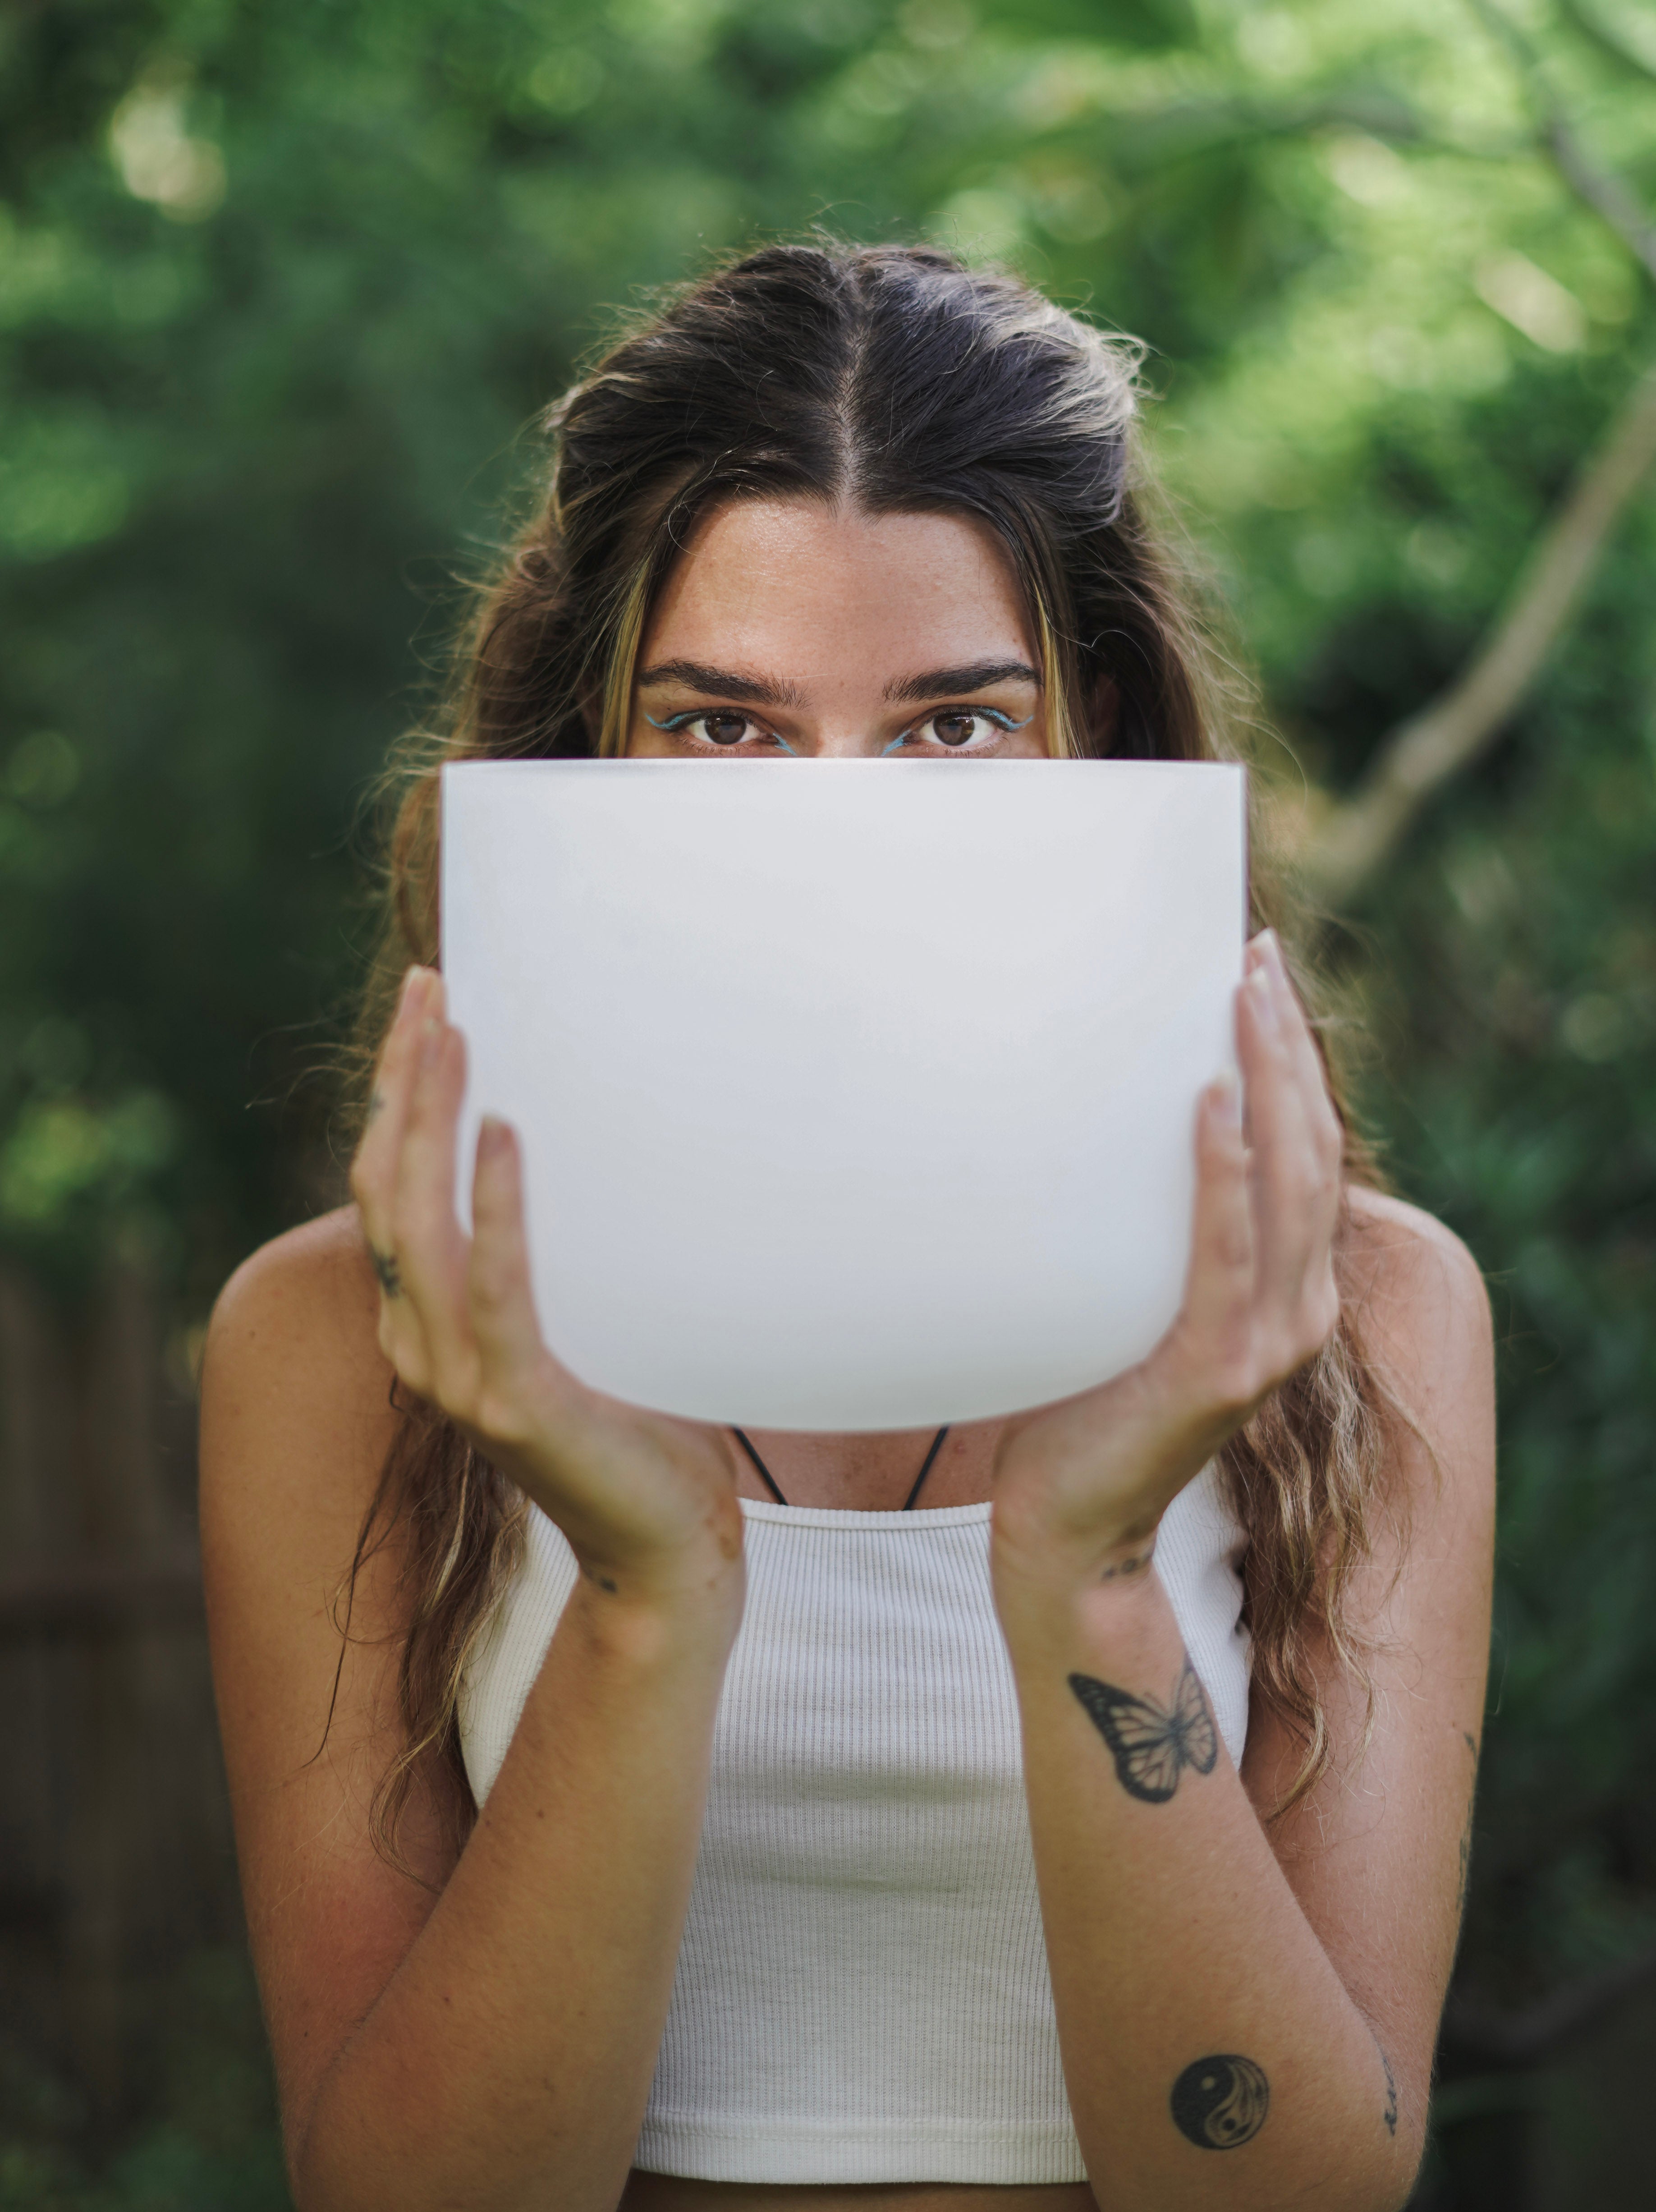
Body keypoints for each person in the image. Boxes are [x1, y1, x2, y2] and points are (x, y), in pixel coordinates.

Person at [199, 242, 1494, 2212]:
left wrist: (1091, 1572)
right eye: (724, 726)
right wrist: (647, 1591)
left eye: (951, 725)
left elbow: (1301, 2187)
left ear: (1098, 735)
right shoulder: (350, 1346)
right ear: (585, 748)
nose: (836, 827)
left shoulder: (1354, 1318)